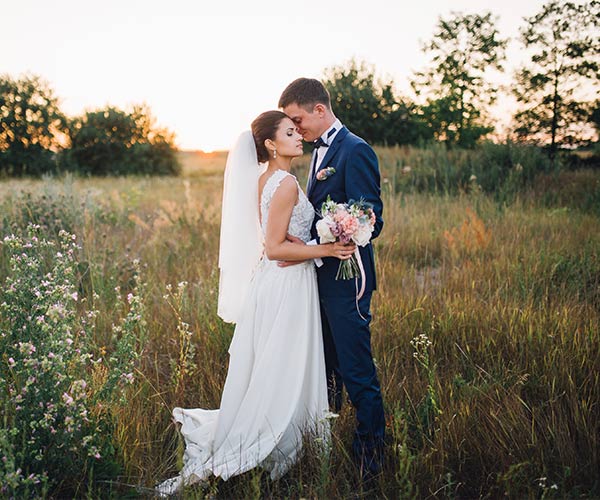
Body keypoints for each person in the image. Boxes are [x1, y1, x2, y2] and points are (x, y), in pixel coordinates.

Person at [156, 110, 355, 495]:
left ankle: (285, 428)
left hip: (276, 280)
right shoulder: (284, 184)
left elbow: (276, 242)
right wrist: (327, 248)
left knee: (275, 361)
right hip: (287, 285)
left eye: (298, 131)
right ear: (270, 143)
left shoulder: (266, 179)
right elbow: (275, 247)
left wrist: (306, 244)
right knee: (284, 362)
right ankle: (278, 438)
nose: (299, 137)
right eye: (289, 133)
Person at [279, 78, 386, 478]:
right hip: (318, 276)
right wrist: (306, 242)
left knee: (357, 368)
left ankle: (369, 459)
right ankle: (324, 442)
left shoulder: (355, 150)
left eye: (298, 119)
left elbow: (371, 218)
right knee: (327, 366)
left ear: (320, 111)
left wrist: (334, 233)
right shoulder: (317, 152)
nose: (296, 128)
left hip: (347, 279)